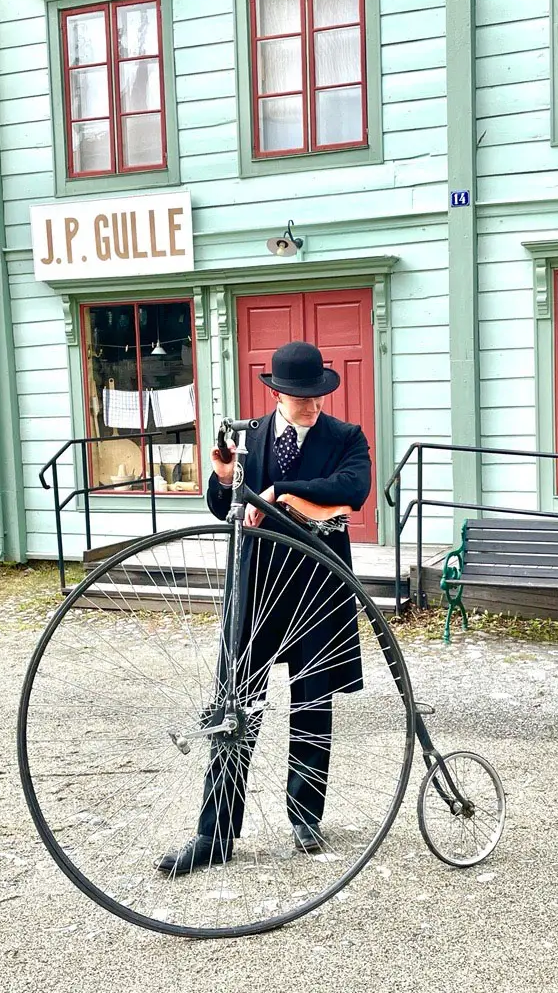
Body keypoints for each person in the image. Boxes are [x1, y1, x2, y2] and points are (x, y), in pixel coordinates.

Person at [155, 341, 372, 874]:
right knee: (234, 708)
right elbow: (220, 508)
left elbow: (352, 488)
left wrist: (277, 491)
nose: (311, 405)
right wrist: (228, 479)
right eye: (300, 397)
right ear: (275, 391)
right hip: (257, 585)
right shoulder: (246, 438)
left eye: (317, 395)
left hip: (318, 585)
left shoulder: (345, 438)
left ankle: (304, 815)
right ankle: (215, 833)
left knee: (312, 702)